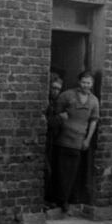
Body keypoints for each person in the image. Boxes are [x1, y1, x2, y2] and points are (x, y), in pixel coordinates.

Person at [51, 70, 99, 213]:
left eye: (88, 83)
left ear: (92, 84)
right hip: (62, 140)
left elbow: (93, 121)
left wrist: (88, 140)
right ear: (79, 82)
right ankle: (58, 199)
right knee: (60, 171)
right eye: (83, 82)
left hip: (79, 142)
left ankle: (67, 200)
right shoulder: (67, 95)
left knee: (73, 172)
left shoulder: (94, 101)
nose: (86, 85)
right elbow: (56, 113)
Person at [44, 73, 64, 206]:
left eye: (58, 89)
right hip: (43, 142)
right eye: (53, 88)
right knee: (46, 170)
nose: (56, 91)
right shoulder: (45, 103)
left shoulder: (55, 103)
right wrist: (60, 118)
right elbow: (45, 123)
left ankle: (48, 199)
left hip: (51, 142)